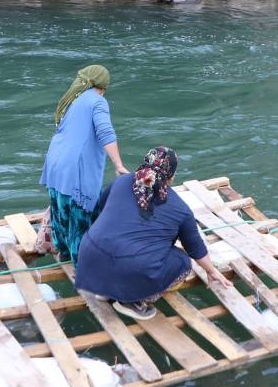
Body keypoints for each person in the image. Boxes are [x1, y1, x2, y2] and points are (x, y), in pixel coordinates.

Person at [74, 146, 231, 321]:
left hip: (89, 256)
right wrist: (211, 271)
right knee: (183, 262)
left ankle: (104, 289)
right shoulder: (181, 210)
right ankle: (132, 301)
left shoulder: (121, 182)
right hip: (130, 267)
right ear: (171, 176)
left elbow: (101, 210)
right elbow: (196, 250)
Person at [40, 65, 128, 261]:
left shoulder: (73, 99)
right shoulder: (98, 102)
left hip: (55, 161)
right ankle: (83, 264)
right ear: (103, 86)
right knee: (81, 215)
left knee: (61, 207)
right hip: (76, 166)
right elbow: (105, 132)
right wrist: (118, 164)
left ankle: (63, 251)